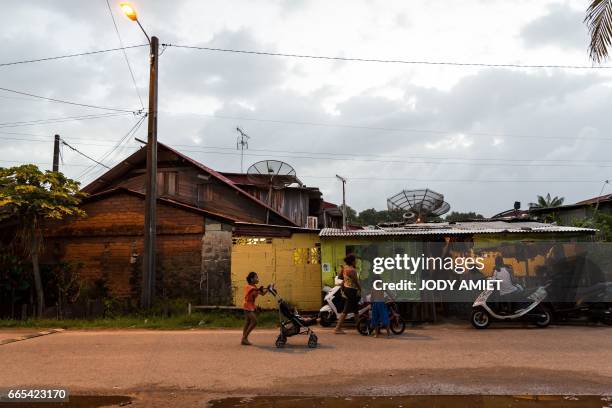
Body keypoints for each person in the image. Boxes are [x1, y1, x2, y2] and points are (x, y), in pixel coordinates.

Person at [335, 254, 361, 334]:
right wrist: (361, 289)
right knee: (346, 310)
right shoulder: (352, 270)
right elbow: (356, 282)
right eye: (355, 260)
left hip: (347, 289)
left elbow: (341, 278)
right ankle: (337, 328)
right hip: (351, 290)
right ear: (352, 261)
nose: (356, 262)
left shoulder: (345, 268)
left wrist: (343, 287)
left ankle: (359, 327)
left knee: (355, 310)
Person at [241, 271, 269, 345]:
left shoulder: (255, 287)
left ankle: (244, 339)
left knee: (247, 322)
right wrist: (258, 289)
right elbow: (252, 290)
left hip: (251, 306)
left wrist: (268, 289)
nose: (257, 278)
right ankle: (244, 338)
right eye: (256, 277)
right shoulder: (248, 287)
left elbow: (262, 294)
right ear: (251, 279)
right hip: (247, 306)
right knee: (254, 321)